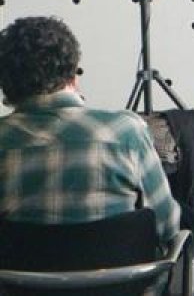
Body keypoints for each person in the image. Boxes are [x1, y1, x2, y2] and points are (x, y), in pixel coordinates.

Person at [0, 16, 180, 250]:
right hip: (124, 285)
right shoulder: (126, 132)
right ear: (73, 73)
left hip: (16, 286)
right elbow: (167, 225)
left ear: (6, 84)